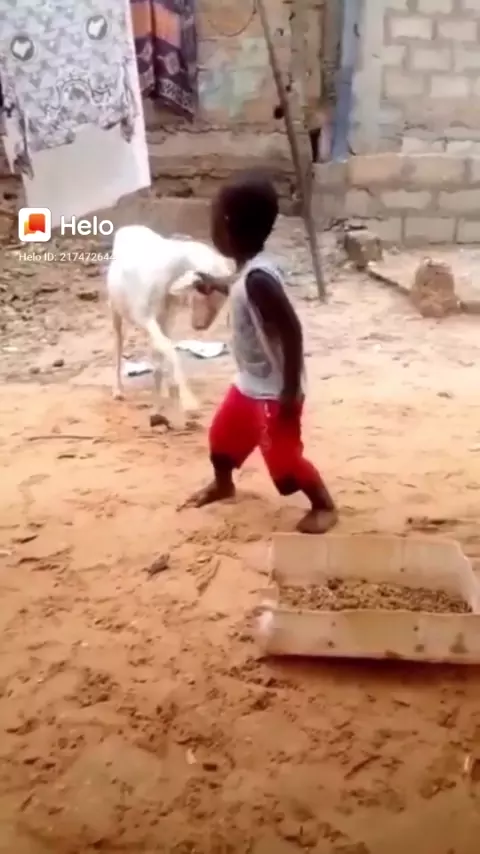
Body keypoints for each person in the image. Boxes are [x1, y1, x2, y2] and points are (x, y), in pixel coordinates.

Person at [182, 170, 338, 534]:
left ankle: (323, 504)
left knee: (284, 461)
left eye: (213, 219)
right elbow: (239, 287)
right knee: (222, 439)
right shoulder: (247, 272)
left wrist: (289, 390)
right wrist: (215, 284)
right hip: (250, 382)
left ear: (227, 226)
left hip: (274, 390)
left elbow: (291, 330)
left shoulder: (260, 280)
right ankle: (224, 484)